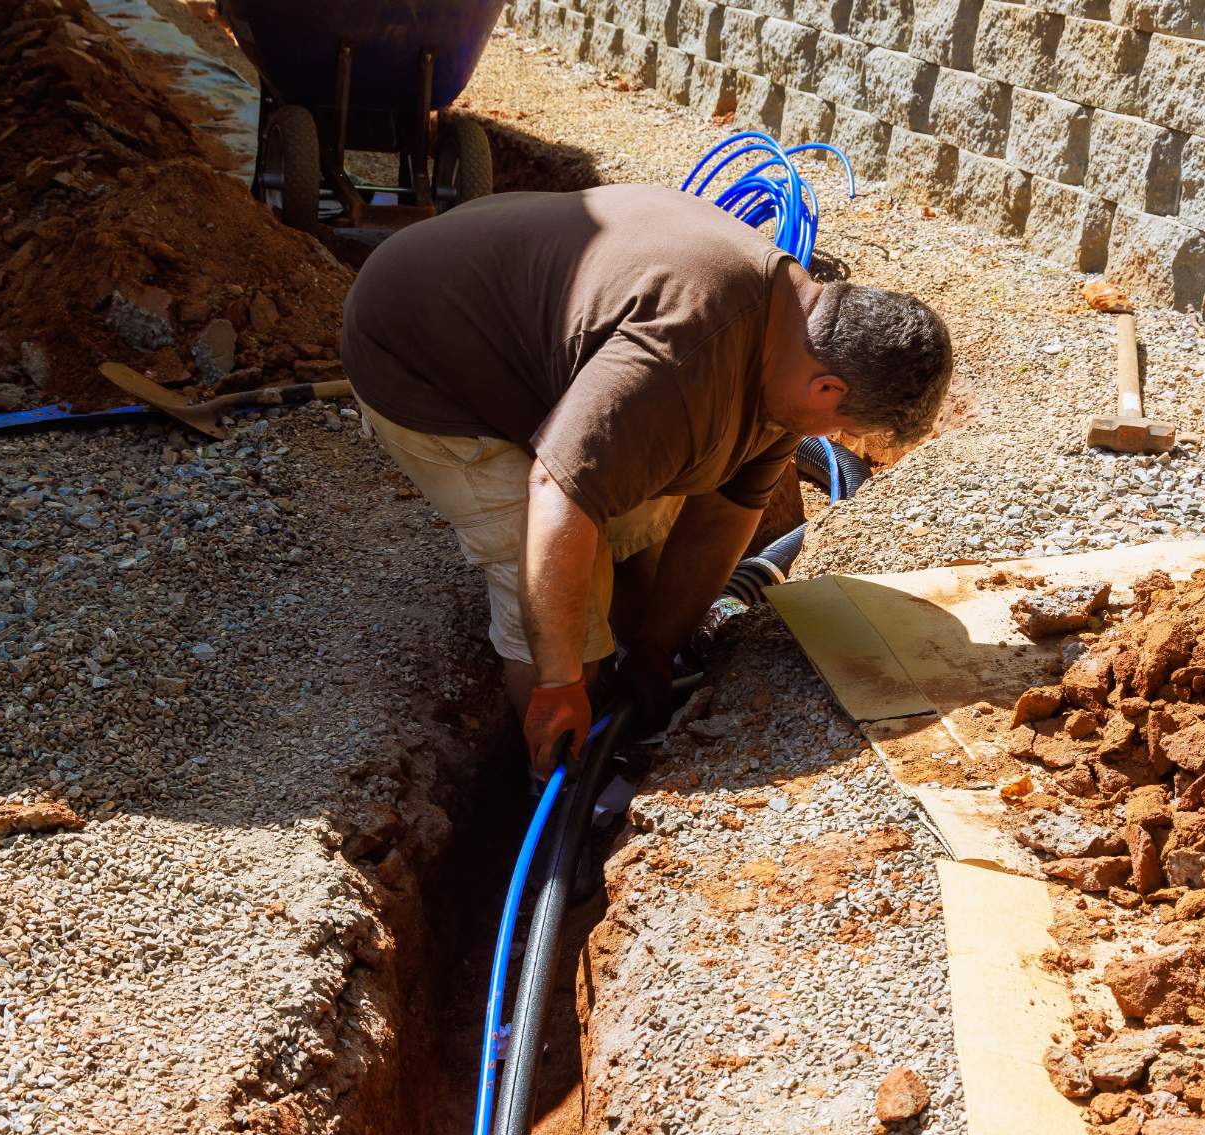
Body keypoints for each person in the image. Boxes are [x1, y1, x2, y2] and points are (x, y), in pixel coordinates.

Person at [341, 183, 952, 774]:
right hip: (420, 352)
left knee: (631, 529)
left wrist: (659, 648)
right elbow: (557, 492)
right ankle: (547, 783)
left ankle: (619, 659)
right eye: (844, 430)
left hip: (534, 331)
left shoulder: (795, 341)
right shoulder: (682, 351)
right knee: (560, 607)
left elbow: (727, 510)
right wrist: (559, 685)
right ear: (827, 388)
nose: (835, 443)